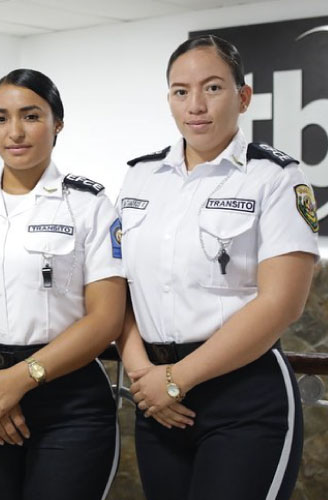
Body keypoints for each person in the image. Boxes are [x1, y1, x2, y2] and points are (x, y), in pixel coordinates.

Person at [117, 35, 318, 500]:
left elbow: (281, 304)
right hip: (158, 401)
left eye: (212, 88)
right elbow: (121, 288)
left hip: (243, 397)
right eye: (180, 91)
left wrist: (177, 380)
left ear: (243, 97)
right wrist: (143, 374)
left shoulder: (275, 177)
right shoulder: (140, 177)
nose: (196, 105)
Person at [0, 68, 124, 500]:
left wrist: (20, 380)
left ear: (58, 125)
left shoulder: (89, 206)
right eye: (0, 118)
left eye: (31, 116)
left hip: (67, 400)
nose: (15, 132)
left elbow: (106, 317)